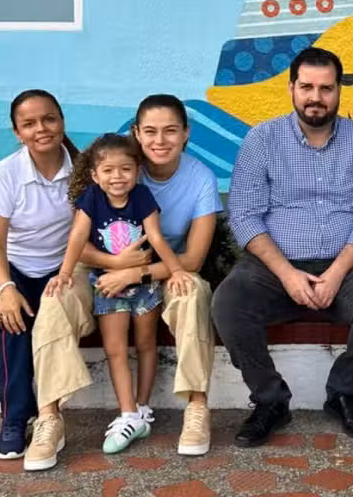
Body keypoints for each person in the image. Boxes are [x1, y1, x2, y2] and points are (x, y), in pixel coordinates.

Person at [212, 47, 353, 446]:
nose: (316, 97)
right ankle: (270, 401)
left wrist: (336, 273)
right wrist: (286, 273)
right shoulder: (262, 139)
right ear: (291, 88)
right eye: (307, 87)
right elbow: (244, 215)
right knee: (228, 304)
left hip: (346, 264)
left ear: (339, 91)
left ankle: (343, 392)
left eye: (326, 88)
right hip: (273, 267)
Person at [27, 94, 221, 470]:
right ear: (136, 132)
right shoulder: (115, 166)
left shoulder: (201, 179)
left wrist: (134, 273)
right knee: (55, 300)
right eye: (150, 131)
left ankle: (197, 407)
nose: (160, 140)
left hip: (164, 268)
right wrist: (115, 264)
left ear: (186, 134)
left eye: (170, 131)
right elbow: (80, 245)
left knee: (192, 293)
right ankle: (49, 416)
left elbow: (193, 259)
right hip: (100, 268)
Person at [45, 133, 192, 454]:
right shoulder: (91, 199)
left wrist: (177, 269)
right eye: (108, 170)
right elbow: (77, 237)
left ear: (137, 171)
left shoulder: (142, 197)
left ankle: (142, 408)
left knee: (146, 344)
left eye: (125, 169)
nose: (117, 177)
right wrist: (65, 273)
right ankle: (127, 413)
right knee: (116, 349)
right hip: (109, 286)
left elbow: (156, 237)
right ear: (95, 175)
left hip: (144, 286)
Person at [0, 89, 77, 460]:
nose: (40, 129)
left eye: (49, 119)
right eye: (29, 124)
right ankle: (15, 418)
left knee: (44, 315)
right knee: (13, 317)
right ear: (17, 132)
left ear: (61, 122)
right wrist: (7, 288)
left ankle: (8, 392)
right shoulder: (5, 174)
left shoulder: (82, 172)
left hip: (51, 270)